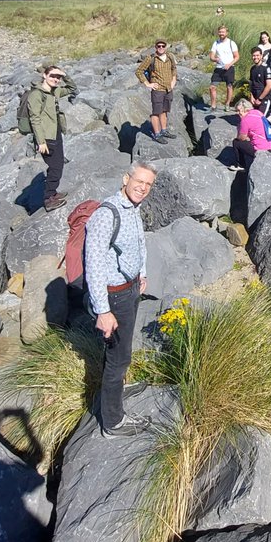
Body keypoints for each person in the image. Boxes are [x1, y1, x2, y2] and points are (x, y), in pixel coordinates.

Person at [85, 162, 157, 437]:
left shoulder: (133, 208)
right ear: (125, 178)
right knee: (119, 357)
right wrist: (103, 311)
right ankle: (113, 421)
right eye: (139, 181)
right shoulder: (107, 214)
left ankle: (114, 392)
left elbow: (138, 243)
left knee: (120, 353)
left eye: (148, 184)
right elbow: (93, 265)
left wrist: (143, 274)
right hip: (114, 297)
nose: (142, 187)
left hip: (130, 289)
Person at [27, 64, 77, 212]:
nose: (55, 79)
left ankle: (53, 192)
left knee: (59, 163)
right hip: (46, 136)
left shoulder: (55, 91)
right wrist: (41, 142)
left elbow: (73, 88)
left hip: (56, 133)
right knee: (55, 167)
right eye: (52, 76)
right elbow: (34, 119)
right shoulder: (36, 95)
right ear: (44, 75)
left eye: (58, 77)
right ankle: (49, 199)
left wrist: (64, 74)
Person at [135, 40, 178, 141]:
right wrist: (147, 84)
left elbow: (174, 69)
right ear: (155, 47)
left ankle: (163, 131)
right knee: (156, 112)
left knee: (164, 111)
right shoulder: (151, 58)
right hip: (157, 90)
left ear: (166, 47)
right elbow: (139, 71)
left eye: (163, 46)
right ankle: (157, 134)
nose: (161, 47)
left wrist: (174, 81)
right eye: (159, 46)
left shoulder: (170, 56)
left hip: (168, 89)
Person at [232, 98, 271, 171]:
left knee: (236, 142)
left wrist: (239, 128)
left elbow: (242, 138)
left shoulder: (245, 120)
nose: (238, 113)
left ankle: (240, 165)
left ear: (245, 109)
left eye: (239, 110)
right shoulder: (257, 112)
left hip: (260, 150)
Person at [208, 25, 239, 111]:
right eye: (220, 32)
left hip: (229, 67)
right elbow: (211, 57)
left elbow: (237, 57)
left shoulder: (231, 43)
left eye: (223, 32)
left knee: (229, 86)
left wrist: (229, 64)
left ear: (227, 33)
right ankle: (213, 105)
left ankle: (227, 104)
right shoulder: (216, 43)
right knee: (212, 87)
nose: (221, 33)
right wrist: (215, 59)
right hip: (219, 68)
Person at [248, 47, 271, 119]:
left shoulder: (266, 68)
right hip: (254, 98)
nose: (255, 57)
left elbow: (269, 86)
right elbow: (251, 83)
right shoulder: (252, 69)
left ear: (261, 56)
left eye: (257, 55)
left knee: (260, 119)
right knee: (252, 119)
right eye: (254, 55)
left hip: (264, 98)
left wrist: (260, 99)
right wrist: (251, 96)